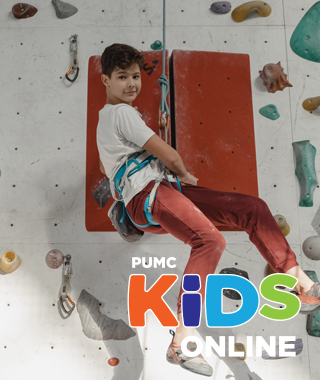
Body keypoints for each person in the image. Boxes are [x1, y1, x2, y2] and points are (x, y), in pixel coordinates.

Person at [96, 43, 320, 377]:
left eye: (134, 76)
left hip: (159, 194)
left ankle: (300, 282)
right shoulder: (121, 113)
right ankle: (181, 339)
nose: (130, 84)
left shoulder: (108, 119)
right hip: (151, 195)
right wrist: (181, 171)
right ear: (105, 80)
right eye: (121, 77)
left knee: (251, 208)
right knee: (210, 241)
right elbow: (169, 155)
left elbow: (111, 166)